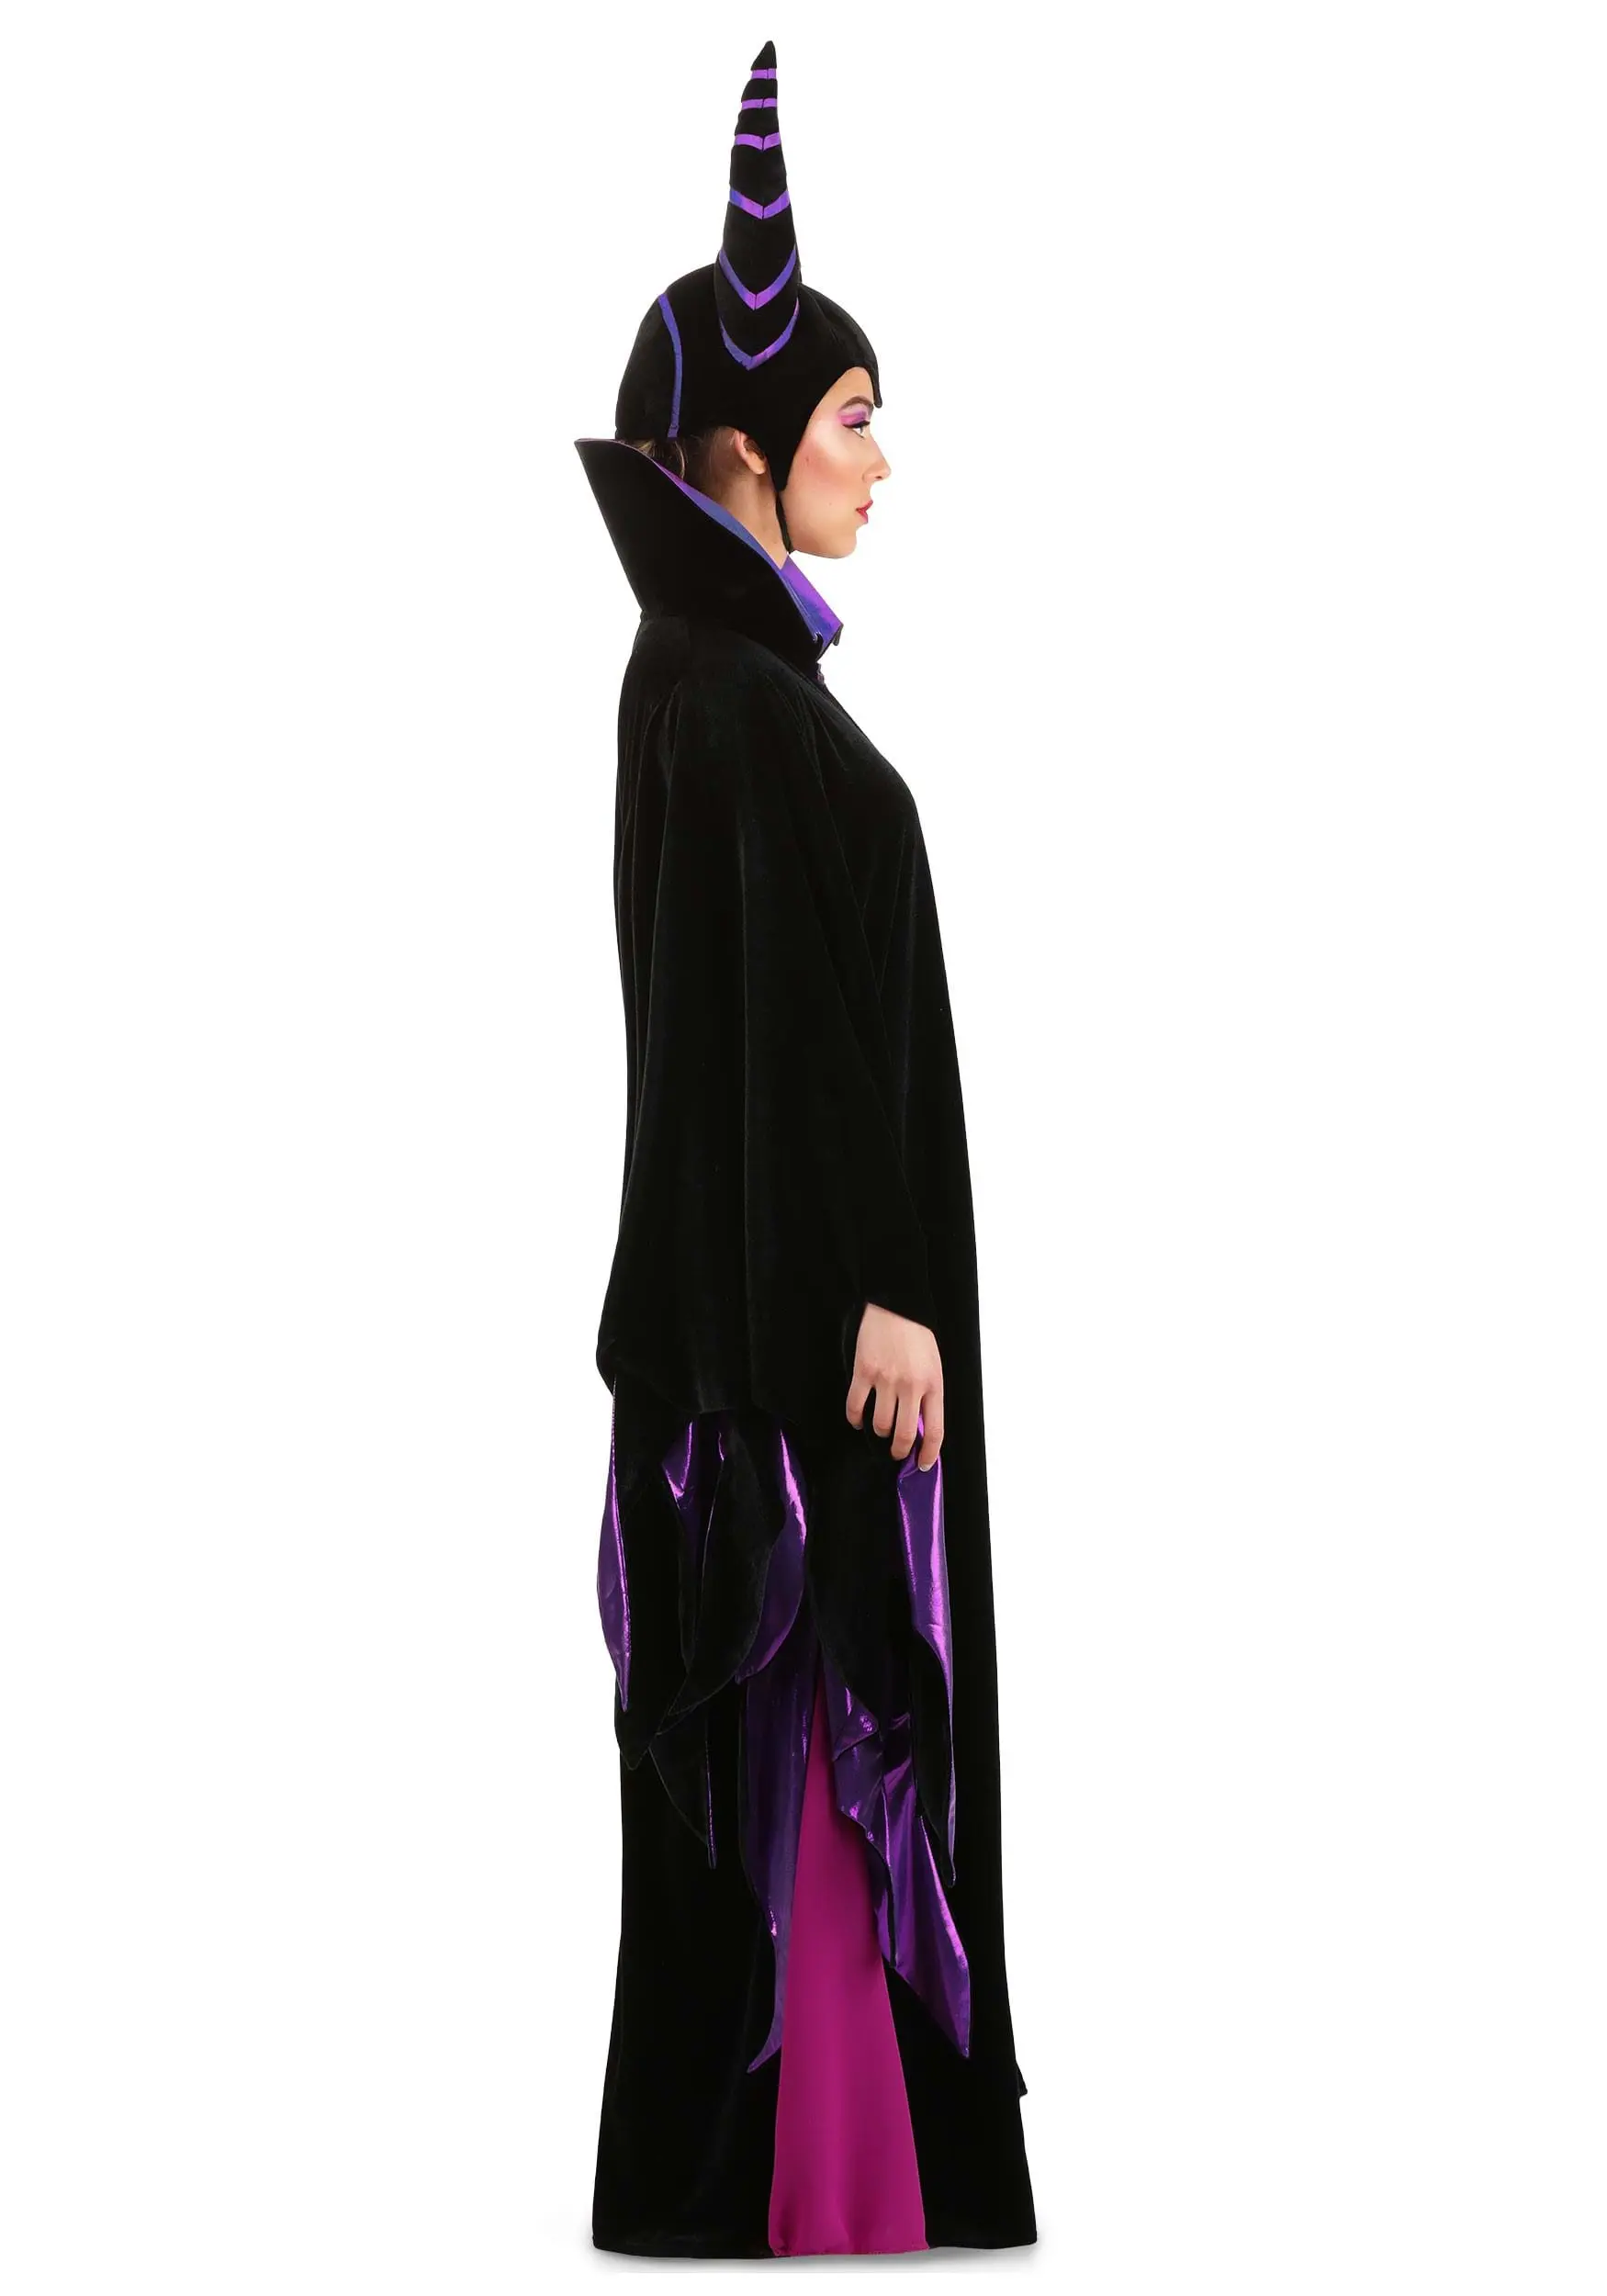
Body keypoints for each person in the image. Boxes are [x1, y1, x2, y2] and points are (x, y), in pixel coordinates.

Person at [576, 39, 1037, 2260]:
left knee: (839, 1756)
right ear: (748, 451)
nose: (883, 458)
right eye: (856, 415)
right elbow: (751, 1052)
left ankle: (839, 2179)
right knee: (832, 1726)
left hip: (803, 1326)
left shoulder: (731, 682)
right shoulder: (727, 695)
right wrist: (869, 1290)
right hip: (806, 1355)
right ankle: (809, 2182)